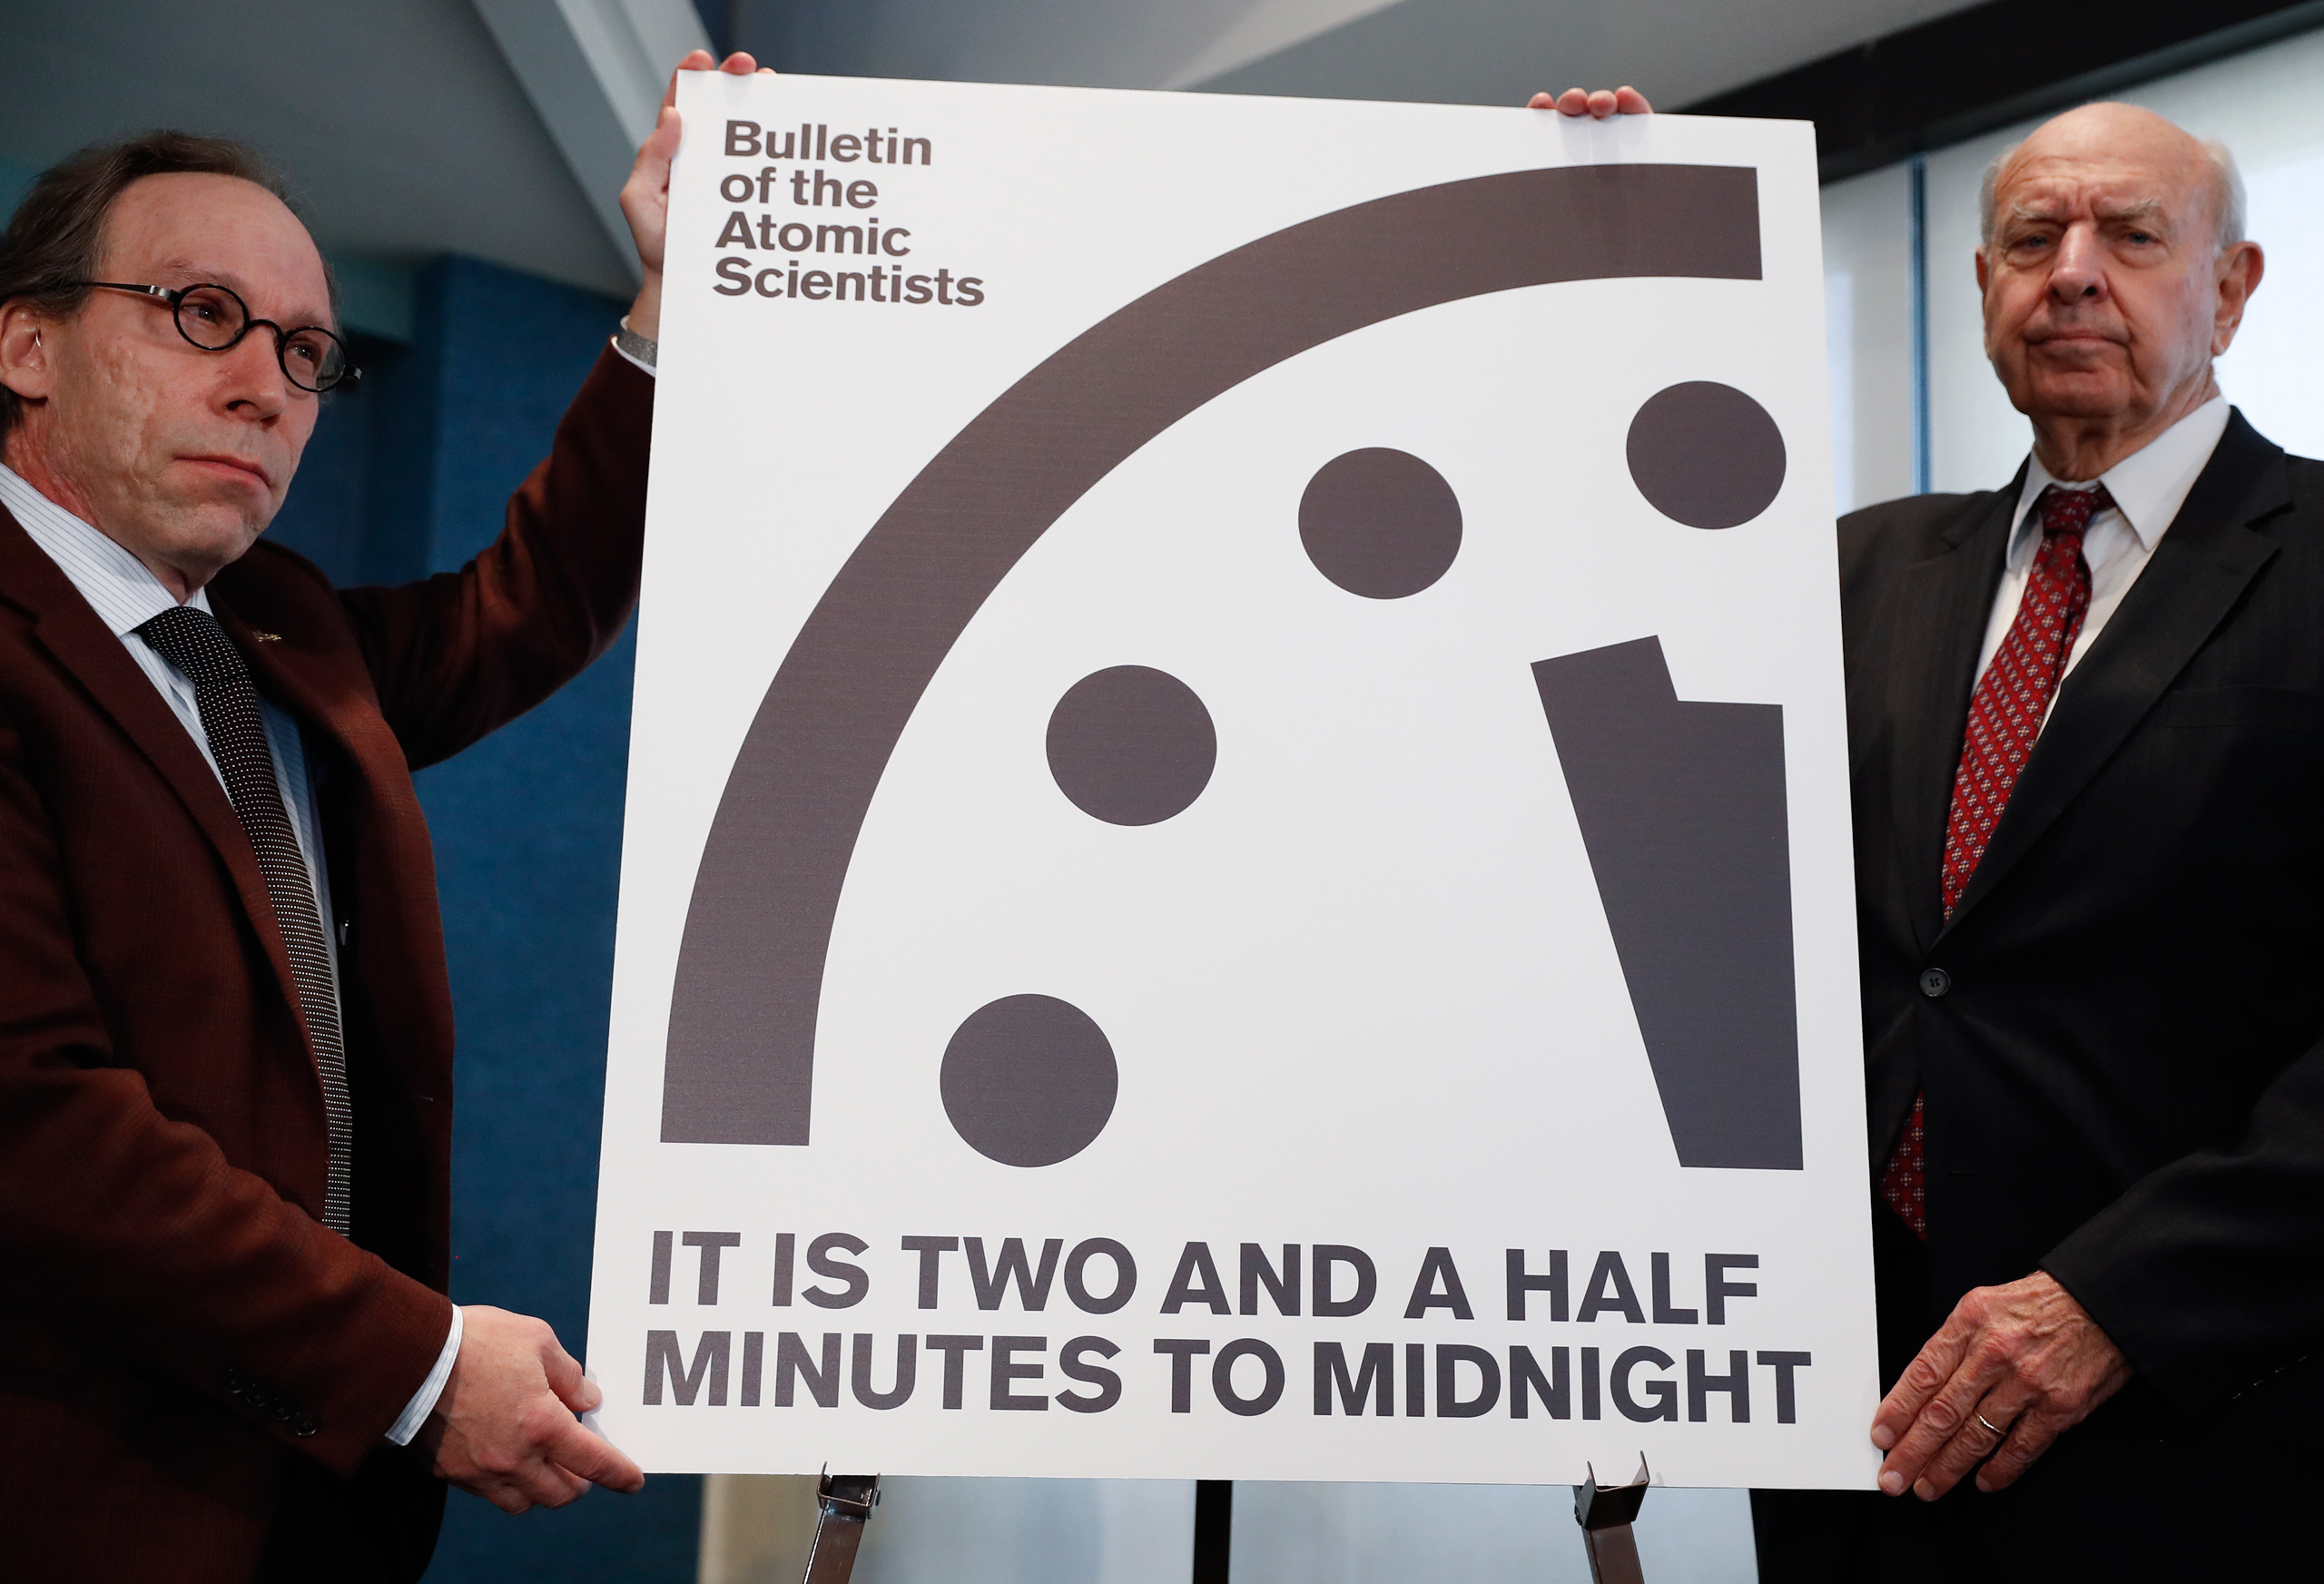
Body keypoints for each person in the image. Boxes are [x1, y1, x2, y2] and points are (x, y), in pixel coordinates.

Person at [0, 48, 764, 1584]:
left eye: (303, 354)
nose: (262, 386)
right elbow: (37, 1123)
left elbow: (529, 605)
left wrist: (673, 300)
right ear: (26, 342)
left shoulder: (276, 631)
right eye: (201, 315)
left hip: (311, 1500)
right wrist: (422, 1365)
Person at [1536, 86, 2322, 1574]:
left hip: (2198, 1437)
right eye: (2034, 234)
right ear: (1984, 288)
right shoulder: (1853, 569)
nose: (2074, 269)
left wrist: (2117, 1303)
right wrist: (1600, 240)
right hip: (1852, 1434)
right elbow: (1597, 689)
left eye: (2132, 234)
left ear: (2231, 285)